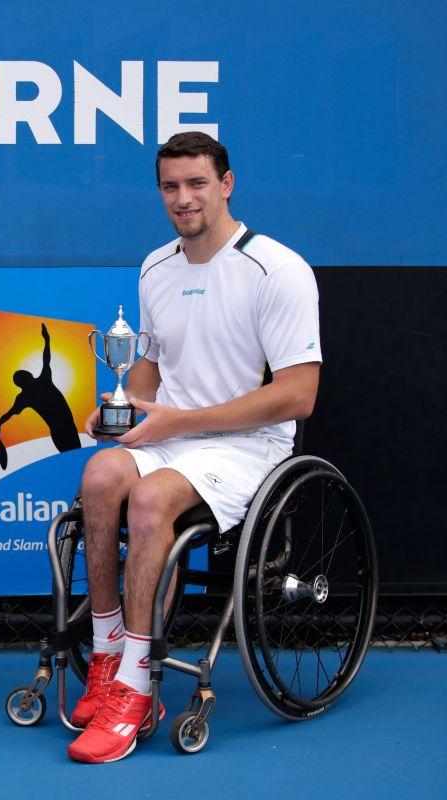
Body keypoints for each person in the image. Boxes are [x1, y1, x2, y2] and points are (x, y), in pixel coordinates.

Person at [68, 131, 321, 763]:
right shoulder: (156, 266)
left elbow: (298, 395)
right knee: (101, 474)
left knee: (151, 500)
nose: (184, 199)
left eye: (197, 184)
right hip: (173, 437)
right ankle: (105, 656)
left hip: (247, 447)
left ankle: (135, 684)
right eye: (171, 187)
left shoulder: (278, 268)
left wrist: (177, 422)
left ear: (227, 184)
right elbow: (152, 374)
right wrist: (126, 411)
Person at [0, 323, 81, 468]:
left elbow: (7, 415)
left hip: (62, 431)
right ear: (26, 378)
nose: (28, 374)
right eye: (25, 375)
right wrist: (47, 340)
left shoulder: (25, 396)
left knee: (74, 462)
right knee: (75, 462)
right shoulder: (41, 381)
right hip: (65, 430)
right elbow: (46, 359)